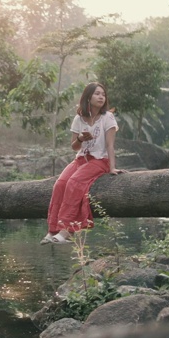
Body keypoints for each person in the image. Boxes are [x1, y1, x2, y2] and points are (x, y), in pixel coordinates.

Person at [41, 82, 125, 245]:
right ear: (88, 97)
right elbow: (74, 146)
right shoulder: (79, 119)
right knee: (60, 184)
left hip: (100, 161)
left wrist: (112, 167)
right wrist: (80, 138)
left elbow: (110, 145)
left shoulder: (107, 117)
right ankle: (52, 230)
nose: (101, 97)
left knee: (74, 182)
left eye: (103, 94)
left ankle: (66, 231)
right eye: (97, 94)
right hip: (81, 159)